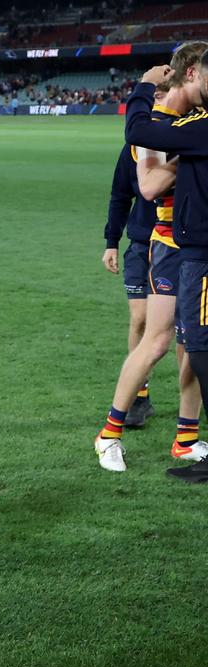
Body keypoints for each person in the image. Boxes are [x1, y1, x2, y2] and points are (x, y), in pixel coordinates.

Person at [94, 42, 208, 473]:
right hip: (171, 245)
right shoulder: (159, 121)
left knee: (193, 347)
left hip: (193, 244)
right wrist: (191, 154)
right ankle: (108, 436)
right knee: (158, 342)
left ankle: (185, 439)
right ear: (192, 72)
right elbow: (146, 187)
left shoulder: (187, 121)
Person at [102, 87, 164, 428]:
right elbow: (119, 194)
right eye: (153, 98)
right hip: (141, 243)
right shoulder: (133, 149)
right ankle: (140, 395)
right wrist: (111, 241)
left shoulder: (183, 140)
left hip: (177, 245)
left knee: (182, 330)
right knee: (139, 318)